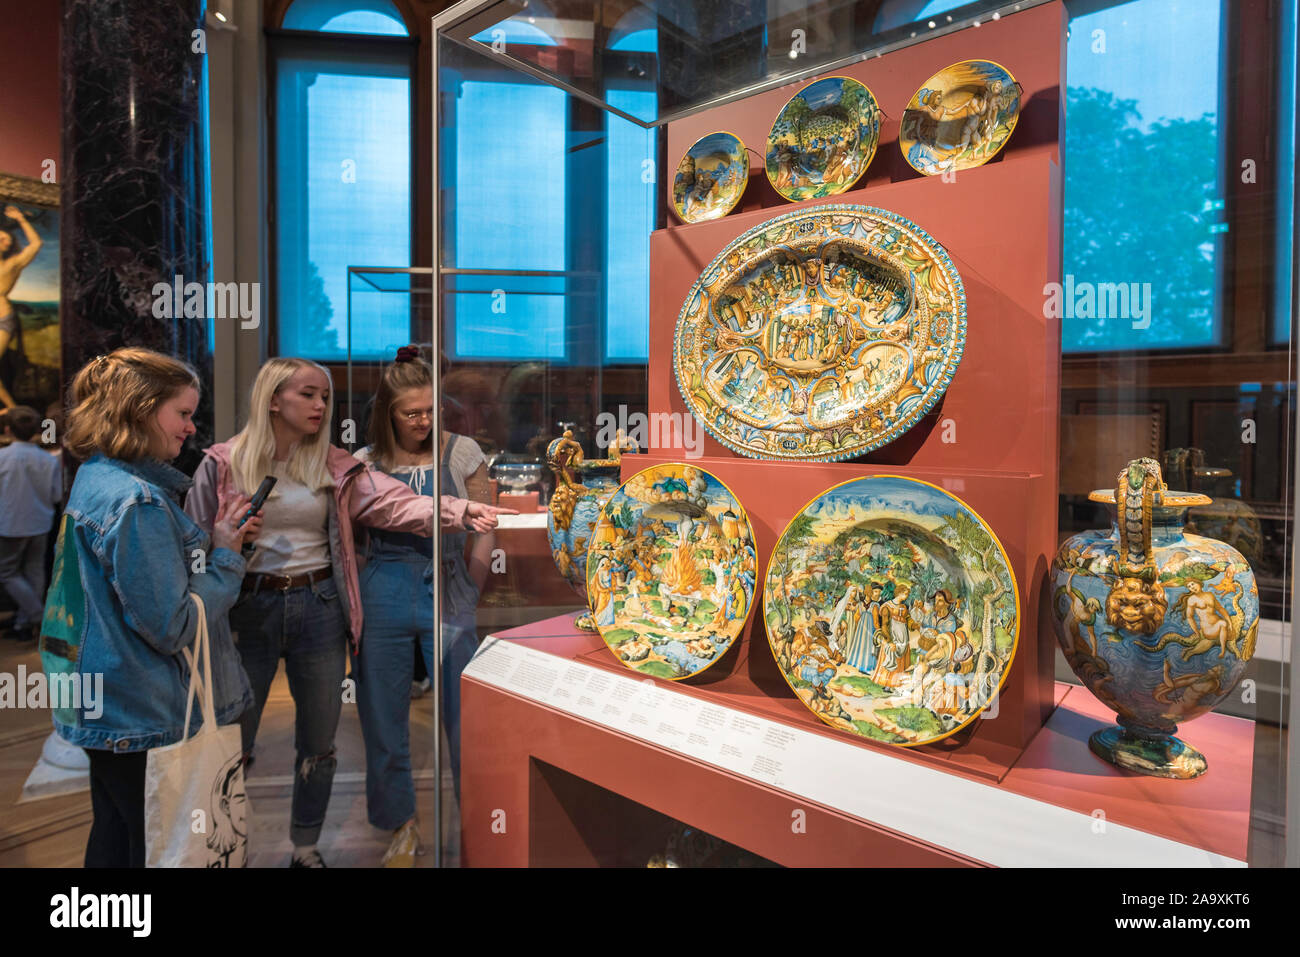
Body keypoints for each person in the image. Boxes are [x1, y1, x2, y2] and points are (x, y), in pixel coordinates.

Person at [184, 356, 508, 868]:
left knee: (325, 739)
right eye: (308, 395)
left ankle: (306, 848)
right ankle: (217, 849)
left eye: (324, 397)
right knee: (235, 738)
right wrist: (223, 548)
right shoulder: (224, 462)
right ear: (272, 398)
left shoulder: (336, 463)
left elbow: (393, 504)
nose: (320, 406)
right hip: (252, 607)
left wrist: (459, 513)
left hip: (322, 605)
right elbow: (191, 539)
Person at [39, 348, 261, 867]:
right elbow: (174, 624)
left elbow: (139, 590)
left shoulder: (97, 477)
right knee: (155, 847)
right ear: (140, 408)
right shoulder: (136, 501)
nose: (190, 428)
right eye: (182, 413)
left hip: (114, 706)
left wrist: (214, 540)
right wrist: (227, 557)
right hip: (147, 712)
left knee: (117, 837)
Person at [352, 347, 495, 866]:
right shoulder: (366, 463)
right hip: (383, 588)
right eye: (411, 413)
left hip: (448, 587)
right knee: (383, 718)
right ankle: (401, 826)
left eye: (431, 410)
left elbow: (487, 524)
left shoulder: (462, 451)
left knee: (464, 718)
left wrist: (472, 585)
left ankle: (475, 821)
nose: (423, 421)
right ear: (388, 413)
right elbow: (354, 539)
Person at [0, 406, 62, 641]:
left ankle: (36, 616)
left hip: (10, 523)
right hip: (40, 522)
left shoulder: (3, 458)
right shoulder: (47, 459)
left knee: (7, 572)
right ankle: (24, 623)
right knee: (33, 571)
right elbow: (57, 495)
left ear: (7, 429)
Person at [0, 205, 44, 409]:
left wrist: (21, 219)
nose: (4, 242)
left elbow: (36, 244)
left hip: (2, 319)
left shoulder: (12, 264)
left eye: (6, 240)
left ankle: (13, 411)